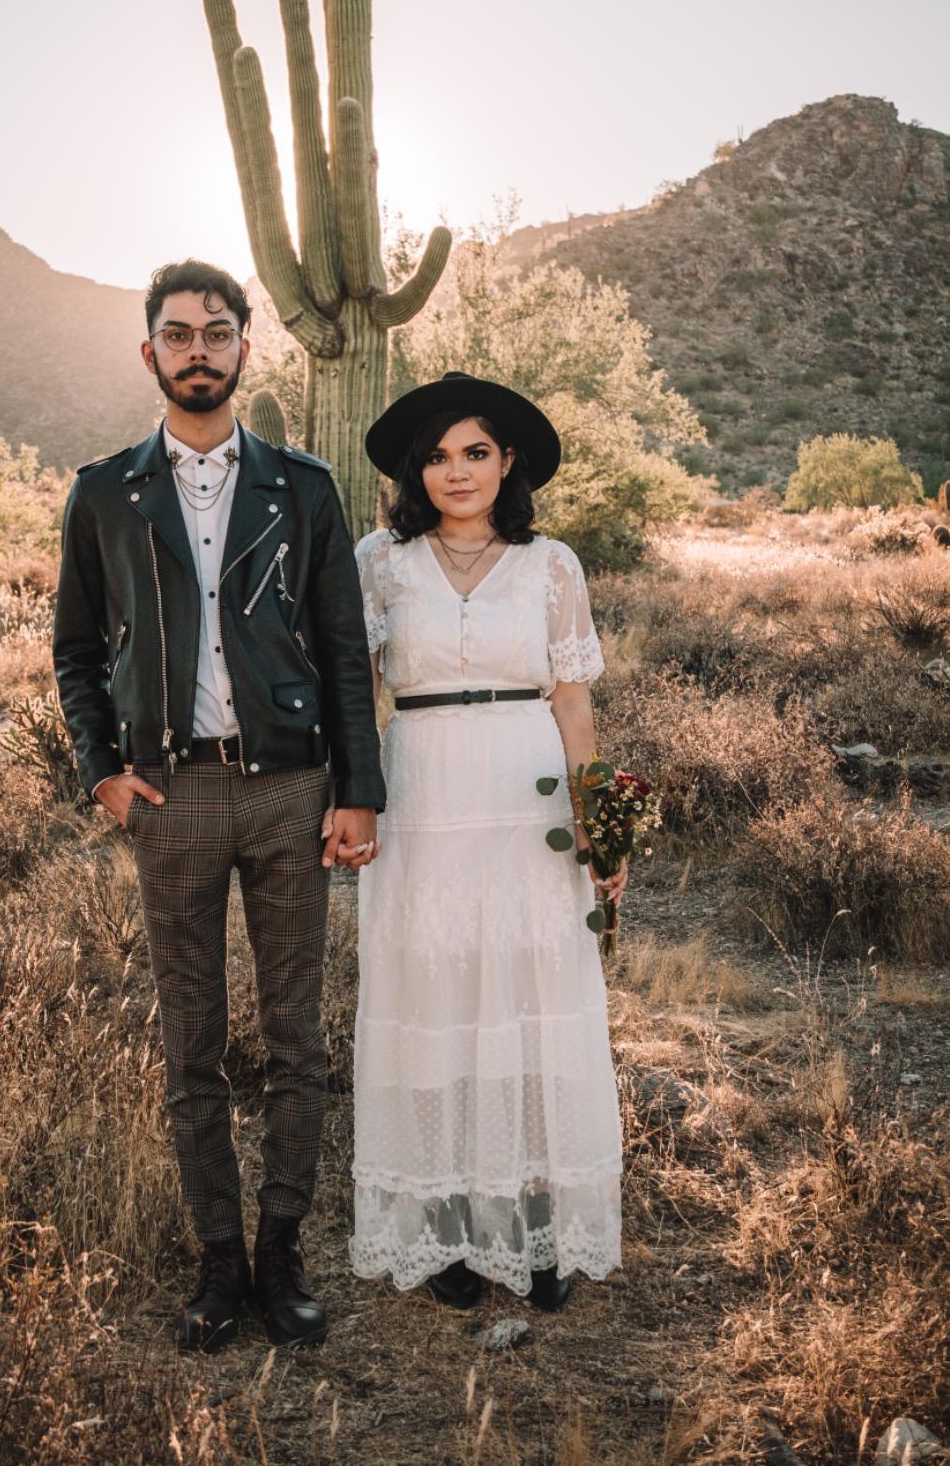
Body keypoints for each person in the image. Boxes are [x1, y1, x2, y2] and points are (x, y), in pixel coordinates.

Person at [53, 259, 385, 1352]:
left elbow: (344, 650)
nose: (198, 349)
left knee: (297, 1034)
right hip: (172, 791)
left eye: (217, 331)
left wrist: (356, 791)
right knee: (189, 1039)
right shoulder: (105, 490)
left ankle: (282, 1249)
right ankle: (217, 1261)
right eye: (177, 333)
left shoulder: (305, 487)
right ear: (148, 352)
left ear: (249, 347)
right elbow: (75, 651)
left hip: (290, 785)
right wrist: (102, 766)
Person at [348, 371, 625, 1310]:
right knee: (441, 993)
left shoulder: (553, 566)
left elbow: (575, 701)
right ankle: (453, 1230)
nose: (455, 472)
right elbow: (357, 698)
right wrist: (351, 798)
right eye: (436, 456)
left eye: (475, 452)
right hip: (423, 791)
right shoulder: (378, 564)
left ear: (509, 463)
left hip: (525, 793)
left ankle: (535, 1227)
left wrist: (597, 819)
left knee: (529, 990)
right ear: (413, 473)